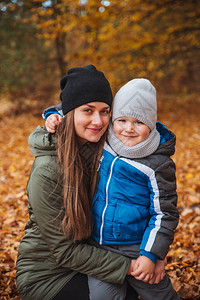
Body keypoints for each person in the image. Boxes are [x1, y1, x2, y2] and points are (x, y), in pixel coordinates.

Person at [45, 78, 180, 300]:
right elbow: (74, 107)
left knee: (159, 295)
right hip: (99, 246)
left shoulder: (157, 163)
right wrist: (52, 117)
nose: (128, 128)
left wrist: (152, 254)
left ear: (152, 124)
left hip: (136, 248)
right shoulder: (105, 140)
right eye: (122, 119)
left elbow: (164, 213)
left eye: (139, 122)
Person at [16, 65, 141, 300]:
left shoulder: (102, 151)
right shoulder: (47, 171)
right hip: (47, 275)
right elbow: (65, 251)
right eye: (88, 110)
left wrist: (151, 254)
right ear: (69, 112)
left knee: (131, 291)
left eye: (105, 111)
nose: (98, 120)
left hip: (92, 254)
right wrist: (132, 266)